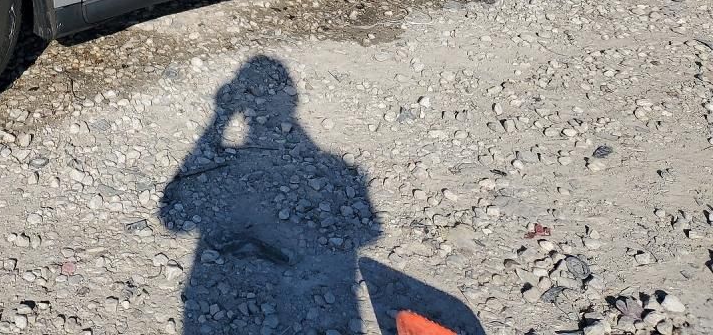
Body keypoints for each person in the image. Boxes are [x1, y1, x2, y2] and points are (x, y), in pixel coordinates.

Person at [160, 55, 484, 334]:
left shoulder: (332, 167)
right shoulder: (337, 168)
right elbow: (369, 230)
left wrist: (218, 121)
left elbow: (174, 220)